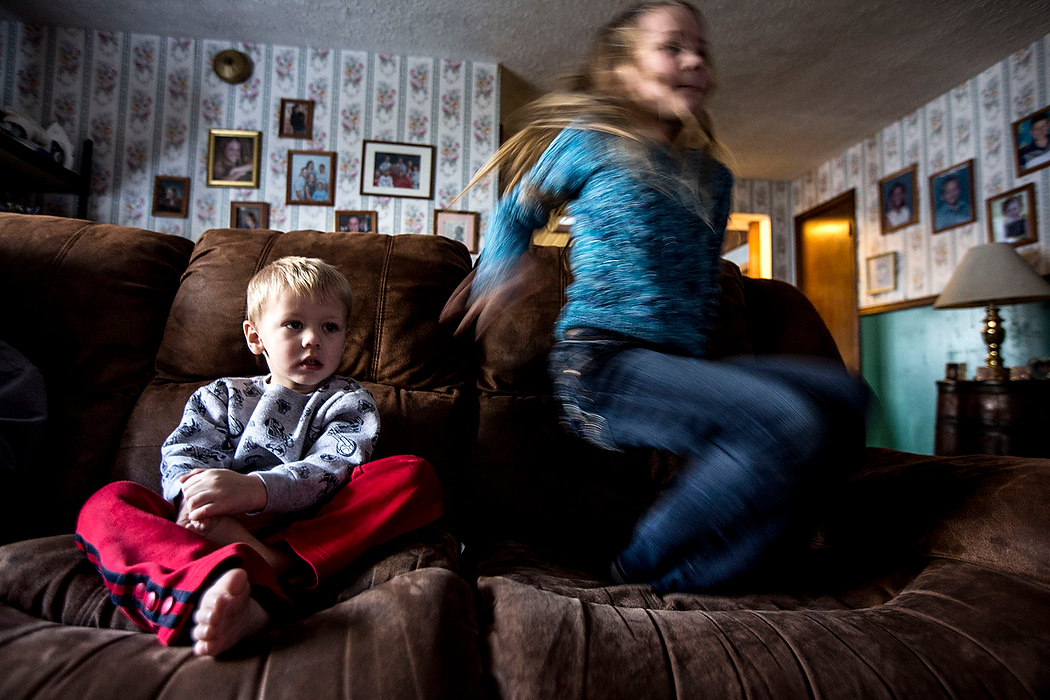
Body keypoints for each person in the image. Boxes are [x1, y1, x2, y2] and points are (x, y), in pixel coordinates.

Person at [442, 0, 868, 593]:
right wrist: (500, 268)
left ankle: (715, 572)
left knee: (845, 398)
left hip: (677, 368)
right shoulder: (590, 143)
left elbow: (697, 280)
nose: (694, 61)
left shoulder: (714, 178)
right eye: (673, 48)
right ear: (623, 70)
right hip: (600, 367)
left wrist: (726, 384)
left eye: (702, 51)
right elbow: (518, 209)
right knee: (791, 421)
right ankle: (635, 570)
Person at [75, 257, 444, 656]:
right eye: (294, 324)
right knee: (108, 502)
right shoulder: (221, 395)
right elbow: (184, 450)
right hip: (212, 526)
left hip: (304, 527)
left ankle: (275, 565)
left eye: (330, 328)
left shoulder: (349, 401)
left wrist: (254, 489)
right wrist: (192, 495)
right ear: (255, 337)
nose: (312, 340)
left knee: (413, 475)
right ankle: (203, 590)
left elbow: (334, 467)